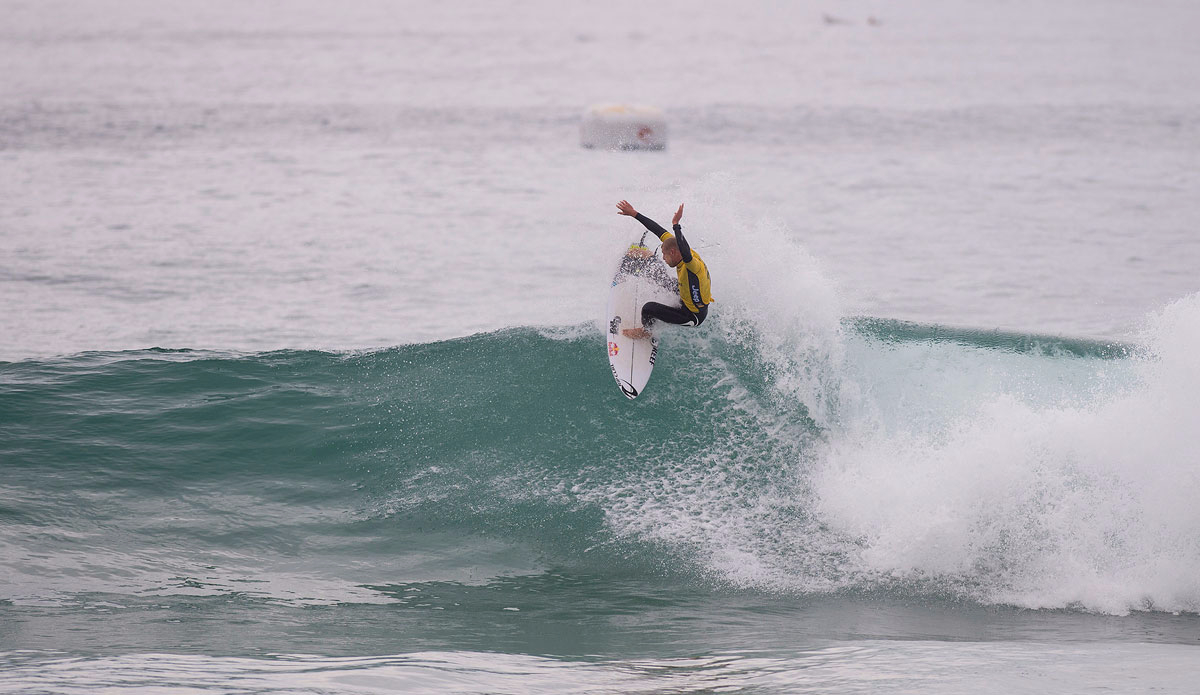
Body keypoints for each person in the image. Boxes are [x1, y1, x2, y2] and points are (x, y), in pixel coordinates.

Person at [615, 200, 713, 338]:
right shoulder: (676, 246)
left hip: (692, 315)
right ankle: (646, 260)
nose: (664, 258)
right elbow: (658, 230)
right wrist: (634, 214)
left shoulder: (692, 266)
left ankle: (646, 332)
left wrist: (676, 225)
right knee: (660, 276)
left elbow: (686, 254)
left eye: (665, 254)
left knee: (649, 309)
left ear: (673, 252)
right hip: (685, 292)